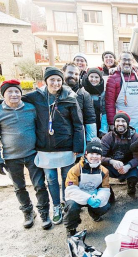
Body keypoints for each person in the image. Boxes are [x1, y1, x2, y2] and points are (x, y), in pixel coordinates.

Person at [24, 67, 84, 224]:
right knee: (50, 178)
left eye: (59, 80)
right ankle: (56, 206)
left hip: (66, 145)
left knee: (66, 178)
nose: (56, 83)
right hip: (45, 147)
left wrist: (78, 147)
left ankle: (65, 204)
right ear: (46, 81)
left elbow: (78, 124)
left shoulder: (70, 97)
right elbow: (15, 100)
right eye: (52, 79)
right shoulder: (36, 96)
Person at [0, 80, 52, 229]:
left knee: (40, 185)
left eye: (17, 91)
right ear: (4, 94)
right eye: (10, 92)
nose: (14, 94)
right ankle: (28, 212)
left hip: (32, 155)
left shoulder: (30, 108)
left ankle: (44, 213)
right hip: (11, 158)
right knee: (19, 187)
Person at [63, 138, 111, 237]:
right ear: (86, 154)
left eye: (97, 154)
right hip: (77, 197)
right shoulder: (75, 169)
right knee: (71, 206)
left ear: (101, 157)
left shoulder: (104, 171)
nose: (94, 156)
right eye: (91, 153)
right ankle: (71, 228)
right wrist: (87, 198)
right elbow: (71, 189)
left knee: (105, 206)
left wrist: (99, 198)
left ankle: (94, 214)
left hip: (94, 196)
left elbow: (105, 189)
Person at [106, 51, 138, 137]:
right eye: (124, 59)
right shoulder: (113, 78)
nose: (127, 62)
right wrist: (112, 122)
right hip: (122, 121)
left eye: (129, 60)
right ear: (119, 61)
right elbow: (109, 103)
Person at [101, 111, 138, 195]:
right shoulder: (107, 137)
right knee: (100, 171)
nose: (120, 123)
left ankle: (131, 186)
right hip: (112, 165)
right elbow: (99, 156)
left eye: (123, 121)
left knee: (134, 175)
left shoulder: (135, 137)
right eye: (118, 121)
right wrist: (111, 161)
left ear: (127, 123)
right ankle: (108, 191)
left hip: (128, 165)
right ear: (114, 123)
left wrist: (128, 166)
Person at [63, 63, 97, 143]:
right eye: (70, 72)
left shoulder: (84, 94)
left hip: (77, 137)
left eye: (76, 74)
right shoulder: (54, 92)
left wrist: (90, 142)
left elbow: (90, 119)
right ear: (63, 72)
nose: (73, 76)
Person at [81, 68, 105, 138]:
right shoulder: (82, 90)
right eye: (91, 76)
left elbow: (104, 112)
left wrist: (103, 129)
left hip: (98, 124)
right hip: (84, 124)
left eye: (96, 77)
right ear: (87, 77)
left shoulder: (103, 93)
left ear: (100, 79)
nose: (94, 79)